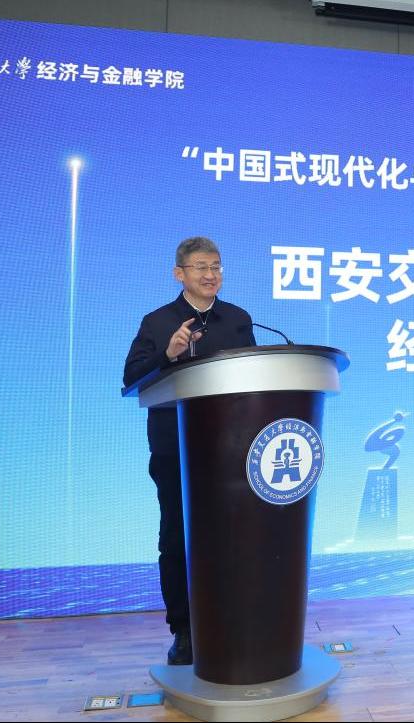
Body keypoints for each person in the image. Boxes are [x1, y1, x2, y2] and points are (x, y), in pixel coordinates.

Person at [122, 236, 254, 665]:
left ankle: (233, 619)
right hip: (174, 449)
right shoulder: (157, 322)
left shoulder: (238, 320)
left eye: (216, 266)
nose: (211, 274)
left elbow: (255, 378)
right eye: (201, 267)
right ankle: (184, 629)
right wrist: (168, 354)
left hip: (231, 452)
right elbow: (131, 380)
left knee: (234, 536)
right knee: (178, 537)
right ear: (179, 273)